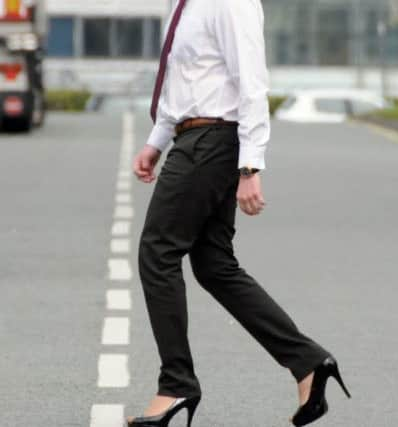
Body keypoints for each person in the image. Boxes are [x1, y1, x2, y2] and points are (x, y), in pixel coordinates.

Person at [127, 0, 351, 426]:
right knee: (213, 265)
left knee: (157, 254)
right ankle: (308, 363)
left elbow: (251, 83)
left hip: (212, 141)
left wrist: (251, 166)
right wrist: (156, 141)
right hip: (194, 136)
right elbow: (186, 82)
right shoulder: (185, 5)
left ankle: (176, 385)